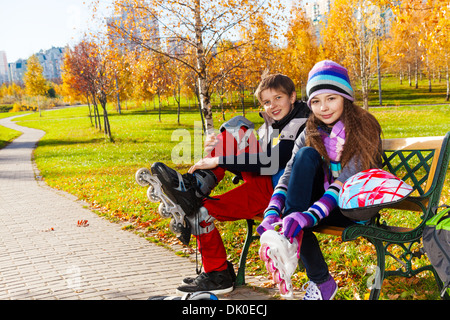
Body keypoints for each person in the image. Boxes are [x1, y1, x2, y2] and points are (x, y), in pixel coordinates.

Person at [150, 72, 310, 295]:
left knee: (201, 211)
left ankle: (218, 274)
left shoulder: (302, 124)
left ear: (292, 97)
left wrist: (218, 159)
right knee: (236, 128)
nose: (272, 105)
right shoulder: (276, 124)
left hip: (279, 195)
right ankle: (195, 185)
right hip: (266, 184)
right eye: (266, 101)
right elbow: (256, 163)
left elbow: (272, 162)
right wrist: (217, 151)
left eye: (278, 98)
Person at [259, 60, 382, 300]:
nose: (323, 108)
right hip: (325, 205)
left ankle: (287, 240)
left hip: (355, 208)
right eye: (315, 101)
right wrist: (272, 211)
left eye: (331, 98)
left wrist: (306, 216)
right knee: (305, 155)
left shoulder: (365, 127)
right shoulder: (311, 129)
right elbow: (289, 172)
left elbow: (345, 181)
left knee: (293, 223)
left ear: (345, 97)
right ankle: (318, 277)